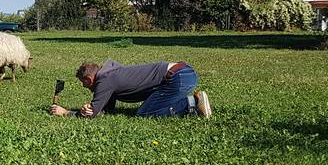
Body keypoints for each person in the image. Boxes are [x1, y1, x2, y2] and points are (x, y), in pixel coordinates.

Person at [49, 60, 211, 118]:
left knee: (144, 113)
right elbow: (106, 109)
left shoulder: (105, 80)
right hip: (183, 73)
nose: (84, 87)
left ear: (89, 79)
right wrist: (97, 108)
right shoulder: (110, 75)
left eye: (83, 83)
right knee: (152, 106)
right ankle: (192, 103)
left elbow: (92, 115)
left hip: (177, 77)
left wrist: (65, 112)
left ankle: (193, 102)